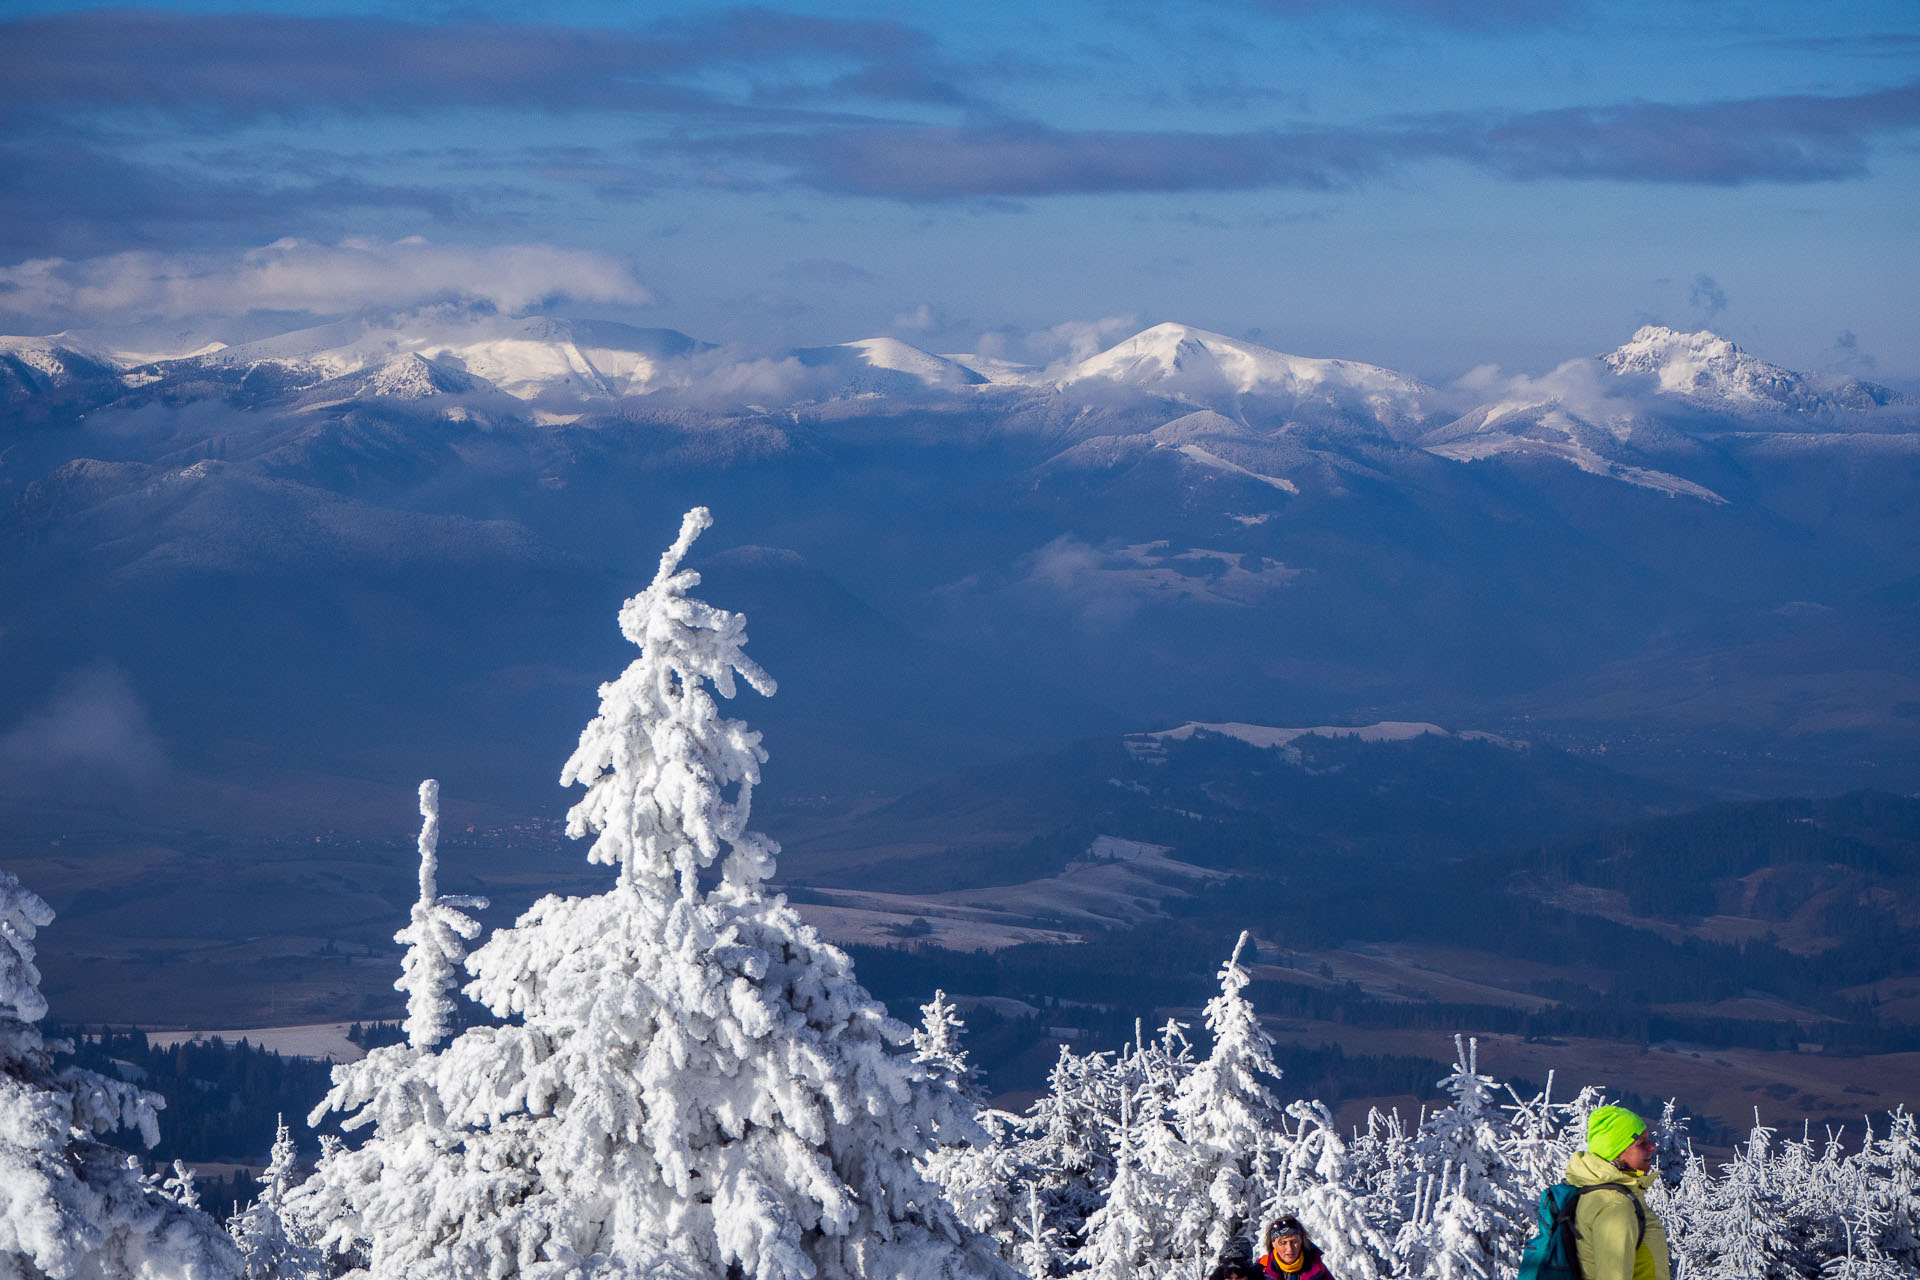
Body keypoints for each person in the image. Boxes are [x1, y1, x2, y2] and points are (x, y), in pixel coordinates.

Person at [1564, 1105, 1672, 1280]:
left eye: (1649, 1140)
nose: (1651, 1147)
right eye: (1641, 1144)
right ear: (1617, 1152)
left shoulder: (1599, 1193)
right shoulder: (1615, 1207)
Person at [1256, 1215, 1334, 1280]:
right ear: (1273, 1244)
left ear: (1302, 1241)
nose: (1290, 1248)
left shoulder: (1317, 1268)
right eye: (1283, 1242)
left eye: (1294, 1241)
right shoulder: (1261, 1269)